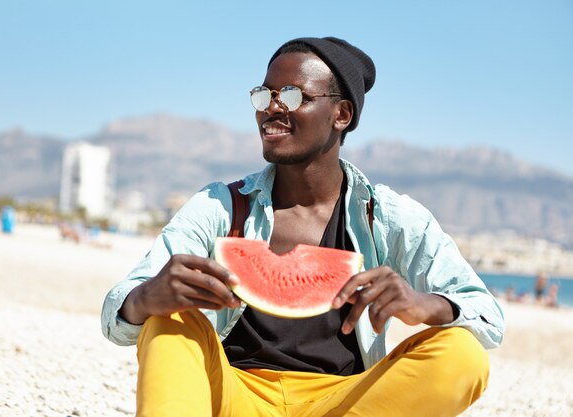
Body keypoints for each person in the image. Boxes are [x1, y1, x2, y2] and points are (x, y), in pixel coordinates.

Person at [101, 37, 505, 417]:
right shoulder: (221, 205)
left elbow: (488, 316)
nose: (272, 108)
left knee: (463, 354)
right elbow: (115, 313)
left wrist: (425, 305)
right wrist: (145, 297)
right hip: (231, 392)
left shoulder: (387, 216)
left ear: (341, 115)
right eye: (265, 95)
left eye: (293, 96)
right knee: (168, 318)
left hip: (343, 401)